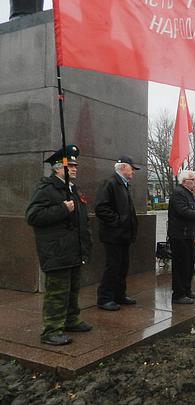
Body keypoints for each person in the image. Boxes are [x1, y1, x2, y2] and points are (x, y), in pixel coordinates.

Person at [26, 145, 92, 346]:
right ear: (57, 168)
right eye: (69, 165)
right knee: (57, 292)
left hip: (73, 250)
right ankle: (51, 330)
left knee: (72, 288)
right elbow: (33, 216)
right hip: (56, 251)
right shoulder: (47, 188)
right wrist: (62, 209)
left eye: (75, 165)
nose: (74, 168)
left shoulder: (73, 189)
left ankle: (71, 320)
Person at [95, 156, 139, 311]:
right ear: (123, 168)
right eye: (131, 168)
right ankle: (105, 298)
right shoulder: (111, 183)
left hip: (123, 235)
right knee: (113, 267)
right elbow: (101, 208)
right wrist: (118, 222)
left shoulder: (124, 185)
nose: (133, 171)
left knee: (122, 266)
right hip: (113, 235)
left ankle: (119, 295)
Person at [168, 170, 195, 304]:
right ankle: (178, 294)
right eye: (193, 180)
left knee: (189, 265)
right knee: (181, 266)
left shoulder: (188, 194)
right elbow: (183, 212)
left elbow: (193, 208)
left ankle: (187, 291)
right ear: (184, 181)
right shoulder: (178, 193)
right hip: (179, 235)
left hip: (189, 235)